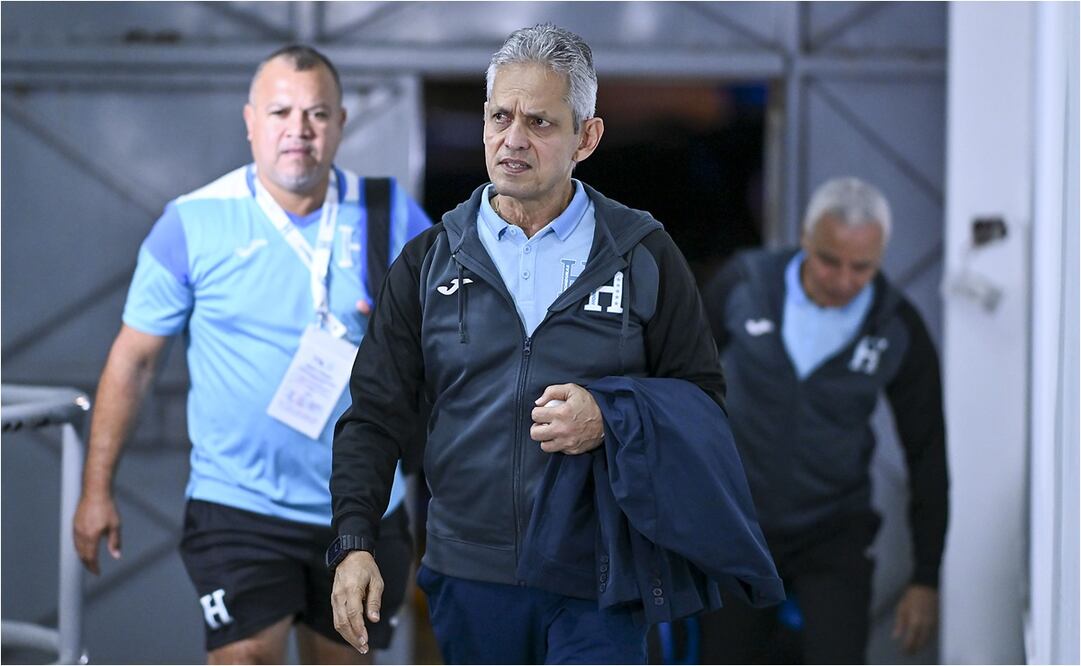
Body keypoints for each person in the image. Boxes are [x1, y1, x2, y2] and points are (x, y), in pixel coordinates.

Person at [326, 23, 781, 665]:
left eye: (539, 122)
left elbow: (702, 401)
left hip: (600, 579)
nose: (513, 140)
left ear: (585, 138)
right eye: (499, 117)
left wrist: (612, 415)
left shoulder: (641, 254)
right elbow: (374, 415)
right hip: (470, 577)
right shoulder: (429, 260)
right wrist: (353, 540)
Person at [72, 45, 430, 664]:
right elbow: (133, 361)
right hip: (238, 504)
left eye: (317, 113)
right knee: (243, 658)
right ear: (250, 121)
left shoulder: (389, 213)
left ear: (341, 122)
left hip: (362, 506)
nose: (299, 129)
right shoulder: (191, 224)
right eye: (281, 111)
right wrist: (95, 488)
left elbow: (453, 341)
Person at [698, 177, 949, 664]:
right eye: (830, 260)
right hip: (739, 522)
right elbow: (676, 382)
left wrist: (926, 578)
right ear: (805, 239)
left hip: (834, 529)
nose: (843, 280)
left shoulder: (898, 326)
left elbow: (928, 452)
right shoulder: (745, 284)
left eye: (863, 268)